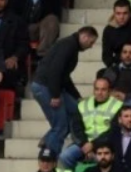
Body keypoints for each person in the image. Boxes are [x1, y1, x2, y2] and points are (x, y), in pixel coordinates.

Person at [31, 26, 99, 154]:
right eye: (91, 42)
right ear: (84, 37)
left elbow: (64, 76)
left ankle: (47, 140)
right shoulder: (68, 46)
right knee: (61, 126)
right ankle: (49, 157)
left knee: (76, 109)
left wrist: (76, 96)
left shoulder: (70, 46)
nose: (91, 46)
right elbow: (55, 70)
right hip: (45, 86)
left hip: (50, 85)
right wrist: (55, 95)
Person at [60, 78, 123, 169]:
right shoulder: (83, 104)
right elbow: (76, 127)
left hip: (107, 144)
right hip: (85, 143)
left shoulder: (118, 105)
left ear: (109, 91)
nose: (99, 92)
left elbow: (114, 130)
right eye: (97, 89)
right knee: (65, 157)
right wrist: (84, 144)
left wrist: (93, 144)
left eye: (103, 89)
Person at [0, 0, 29, 90]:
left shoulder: (17, 21)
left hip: (9, 63)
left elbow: (24, 44)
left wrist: (15, 57)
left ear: (6, 1)